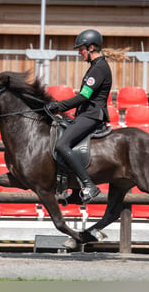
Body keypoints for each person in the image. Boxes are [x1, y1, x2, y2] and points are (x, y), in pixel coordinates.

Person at [46, 29, 127, 203]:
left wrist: (58, 106)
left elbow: (83, 96)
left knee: (62, 144)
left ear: (91, 48)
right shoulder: (96, 67)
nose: (79, 52)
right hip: (86, 114)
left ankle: (88, 185)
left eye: (81, 49)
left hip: (91, 115)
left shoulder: (99, 68)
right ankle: (75, 191)